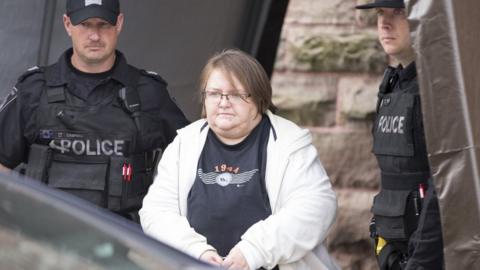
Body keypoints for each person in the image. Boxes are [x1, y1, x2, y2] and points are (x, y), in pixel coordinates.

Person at [139, 49, 339, 270]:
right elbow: (156, 212)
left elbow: (316, 208)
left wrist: (252, 251)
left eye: (235, 94)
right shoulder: (184, 143)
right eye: (214, 93)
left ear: (259, 98)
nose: (223, 102)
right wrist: (197, 252)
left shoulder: (289, 143)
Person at [0, 0, 189, 222]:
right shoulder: (33, 90)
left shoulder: (149, 93)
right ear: (67, 24)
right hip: (41, 240)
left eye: (103, 24)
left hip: (122, 243)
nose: (94, 35)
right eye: (85, 24)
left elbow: (191, 163)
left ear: (119, 23)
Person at [355, 1, 444, 269]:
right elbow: (392, 177)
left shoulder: (441, 89)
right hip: (397, 252)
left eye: (398, 12)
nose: (384, 22)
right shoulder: (394, 87)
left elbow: (446, 182)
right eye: (381, 12)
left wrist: (420, 261)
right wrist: (383, 245)